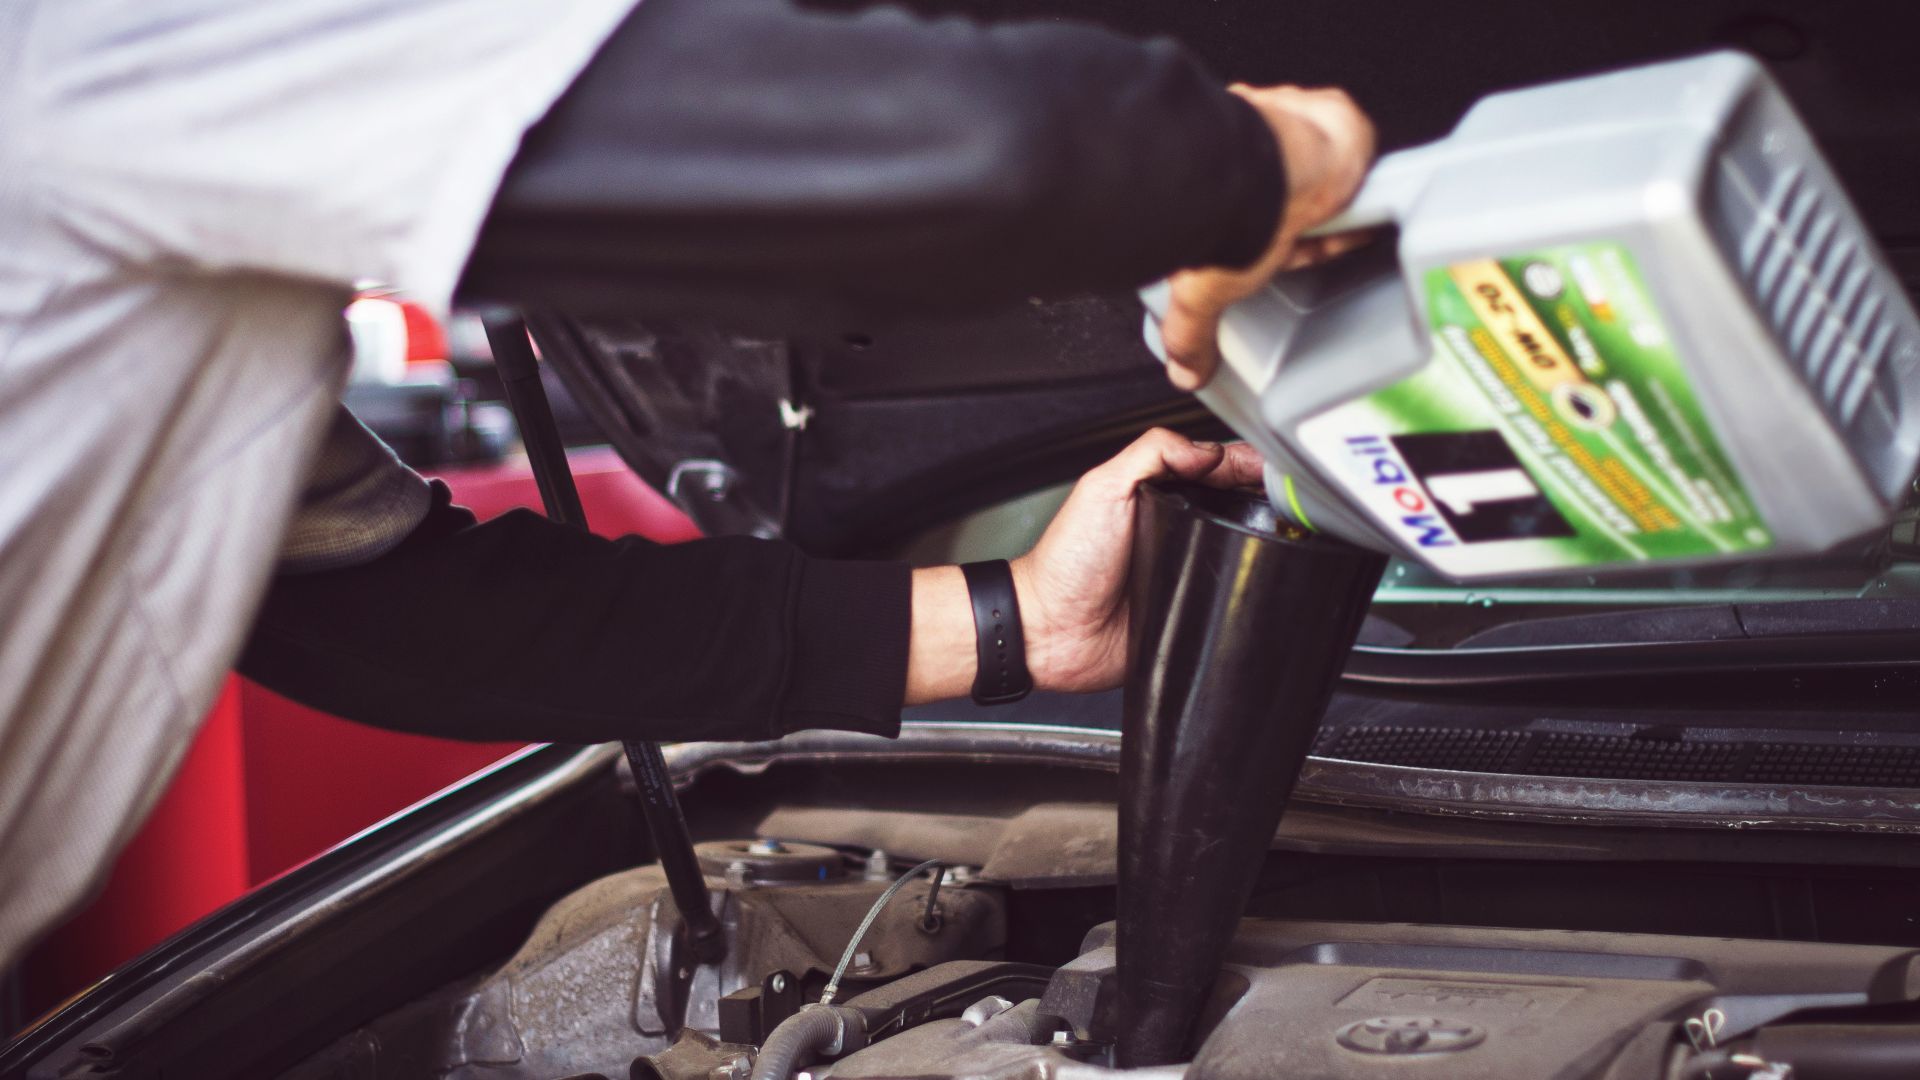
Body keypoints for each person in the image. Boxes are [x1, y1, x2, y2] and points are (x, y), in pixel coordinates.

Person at [0, 0, 1374, 966]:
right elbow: (956, 148)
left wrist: (1016, 618)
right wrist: (1261, 160)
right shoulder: (93, 40)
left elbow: (386, 616)